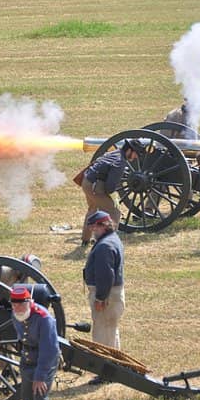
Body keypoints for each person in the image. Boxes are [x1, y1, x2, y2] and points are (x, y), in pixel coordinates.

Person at [10, 285, 60, 400]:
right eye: (14, 305)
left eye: (21, 304)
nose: (17, 308)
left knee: (39, 397)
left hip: (45, 361)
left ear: (30, 301)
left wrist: (40, 377)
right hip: (28, 359)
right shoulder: (16, 314)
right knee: (26, 397)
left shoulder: (44, 319)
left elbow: (49, 350)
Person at [82, 210, 126, 385]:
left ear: (104, 226)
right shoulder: (112, 239)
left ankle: (106, 373)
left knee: (103, 335)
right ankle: (115, 369)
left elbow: (106, 275)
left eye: (95, 227)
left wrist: (100, 298)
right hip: (112, 294)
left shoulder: (104, 246)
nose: (93, 230)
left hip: (107, 296)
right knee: (110, 332)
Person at [80, 139, 144, 245]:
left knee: (92, 210)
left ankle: (85, 240)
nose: (136, 157)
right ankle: (107, 242)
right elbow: (110, 187)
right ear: (129, 150)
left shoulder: (115, 153)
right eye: (136, 153)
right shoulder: (120, 162)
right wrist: (114, 196)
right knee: (114, 212)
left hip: (87, 182)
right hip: (95, 186)